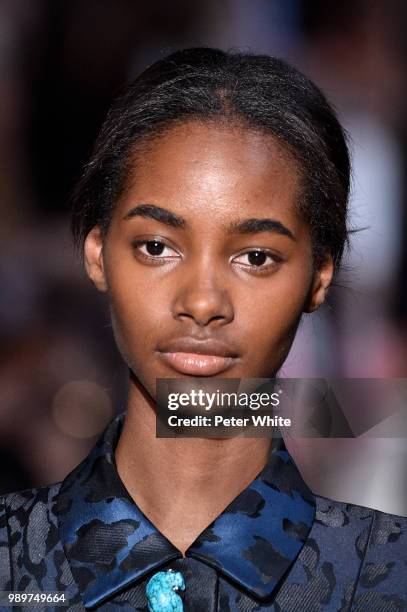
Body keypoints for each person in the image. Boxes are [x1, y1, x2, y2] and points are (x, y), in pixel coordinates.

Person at [0, 48, 405, 611]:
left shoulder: (387, 580)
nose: (202, 302)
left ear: (318, 276)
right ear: (97, 253)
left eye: (256, 257)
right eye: (157, 247)